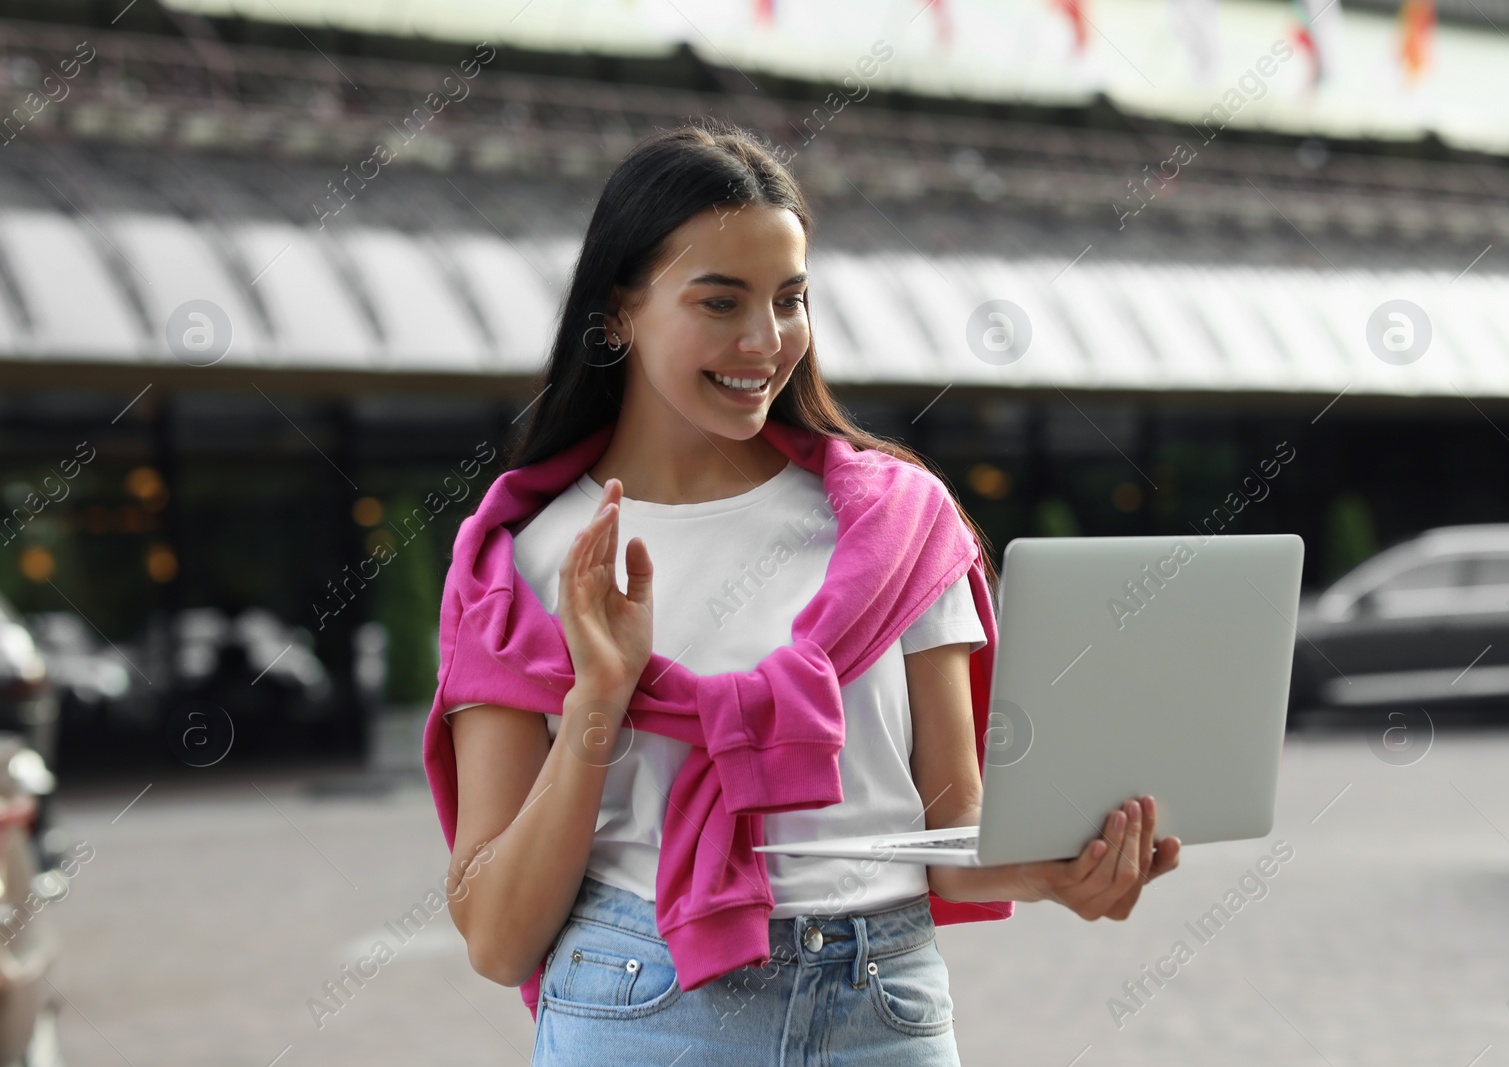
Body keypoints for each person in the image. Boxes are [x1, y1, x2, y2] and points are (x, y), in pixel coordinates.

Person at [429, 119, 1181, 1066]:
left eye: (790, 300)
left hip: (883, 1011)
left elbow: (950, 837)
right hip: (640, 1009)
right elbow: (497, 939)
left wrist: (1066, 871)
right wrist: (597, 699)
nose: (765, 340)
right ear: (618, 311)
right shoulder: (521, 564)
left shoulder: (900, 526)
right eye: (719, 301)